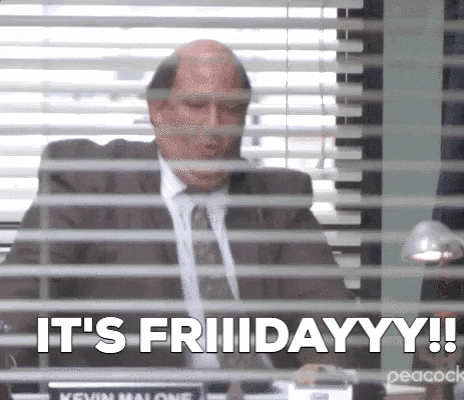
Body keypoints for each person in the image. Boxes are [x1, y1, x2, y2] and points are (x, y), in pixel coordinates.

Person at [1, 40, 364, 391]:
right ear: (157, 110)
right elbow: (21, 299)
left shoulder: (276, 201)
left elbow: (331, 316)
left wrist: (325, 370)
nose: (214, 126)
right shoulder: (89, 184)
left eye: (231, 109)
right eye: (196, 105)